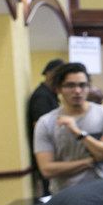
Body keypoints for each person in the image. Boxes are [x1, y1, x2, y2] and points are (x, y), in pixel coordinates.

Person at [33, 62, 103, 194]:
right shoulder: (46, 122)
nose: (77, 91)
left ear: (89, 87)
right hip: (66, 194)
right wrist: (91, 160)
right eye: (70, 85)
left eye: (82, 85)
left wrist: (78, 133)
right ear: (58, 89)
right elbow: (47, 169)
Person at [27, 58, 64, 196]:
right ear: (49, 74)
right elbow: (40, 126)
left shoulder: (51, 95)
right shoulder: (42, 96)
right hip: (46, 156)